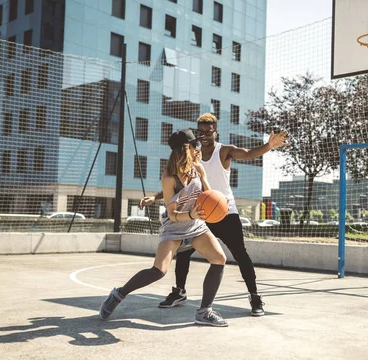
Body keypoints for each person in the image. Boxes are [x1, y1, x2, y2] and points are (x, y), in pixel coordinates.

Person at [139, 113, 289, 316]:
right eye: (200, 132)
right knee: (183, 252)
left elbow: (248, 153)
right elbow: (179, 186)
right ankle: (179, 291)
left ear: (215, 132)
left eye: (208, 132)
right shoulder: (191, 155)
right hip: (200, 212)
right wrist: (155, 197)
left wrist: (268, 146)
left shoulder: (224, 151)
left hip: (225, 211)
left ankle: (254, 296)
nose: (204, 135)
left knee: (240, 254)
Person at [100, 129, 229, 327]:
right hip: (174, 227)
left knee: (219, 259)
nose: (200, 148)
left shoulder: (199, 169)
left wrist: (218, 206)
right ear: (187, 149)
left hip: (195, 226)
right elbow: (172, 214)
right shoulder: (169, 177)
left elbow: (208, 195)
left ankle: (204, 311)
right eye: (196, 145)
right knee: (158, 271)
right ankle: (119, 294)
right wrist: (191, 213)